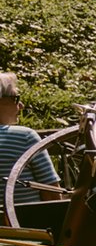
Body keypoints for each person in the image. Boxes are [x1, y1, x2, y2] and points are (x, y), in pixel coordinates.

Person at [0, 73, 61, 205]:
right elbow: (52, 195)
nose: (21, 105)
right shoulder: (25, 137)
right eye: (16, 99)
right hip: (22, 223)